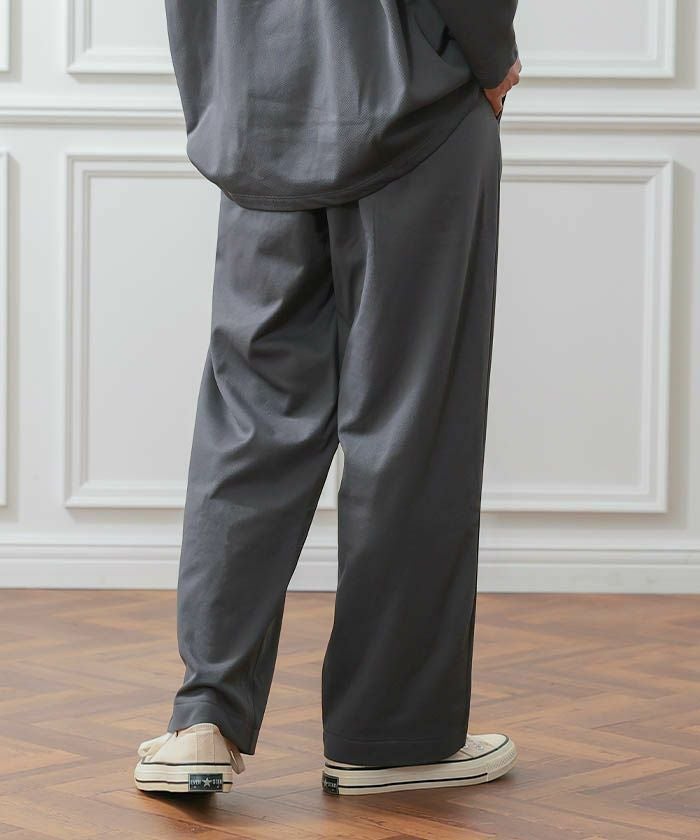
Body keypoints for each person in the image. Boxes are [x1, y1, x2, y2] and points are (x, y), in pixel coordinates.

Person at [134, 0, 521, 796]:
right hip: (411, 107)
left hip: (257, 113)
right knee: (410, 427)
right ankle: (391, 737)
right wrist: (492, 54)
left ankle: (203, 720)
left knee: (251, 423)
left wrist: (220, 92)